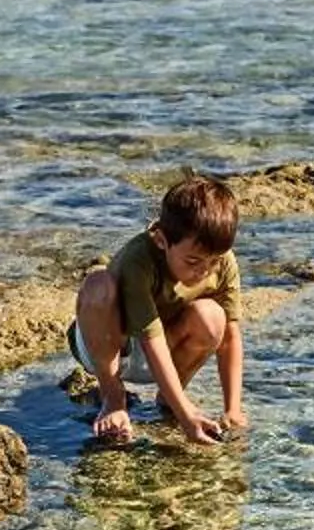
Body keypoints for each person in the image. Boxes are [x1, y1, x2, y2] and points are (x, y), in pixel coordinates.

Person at [72, 177, 245, 445]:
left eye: (214, 261)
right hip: (109, 346)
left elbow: (230, 339)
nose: (204, 270)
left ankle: (170, 400)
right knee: (98, 284)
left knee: (213, 317)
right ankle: (113, 398)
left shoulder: (222, 261)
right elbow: (151, 341)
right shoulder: (139, 260)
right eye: (193, 261)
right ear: (162, 240)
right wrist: (187, 416)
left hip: (164, 344)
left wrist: (232, 409)